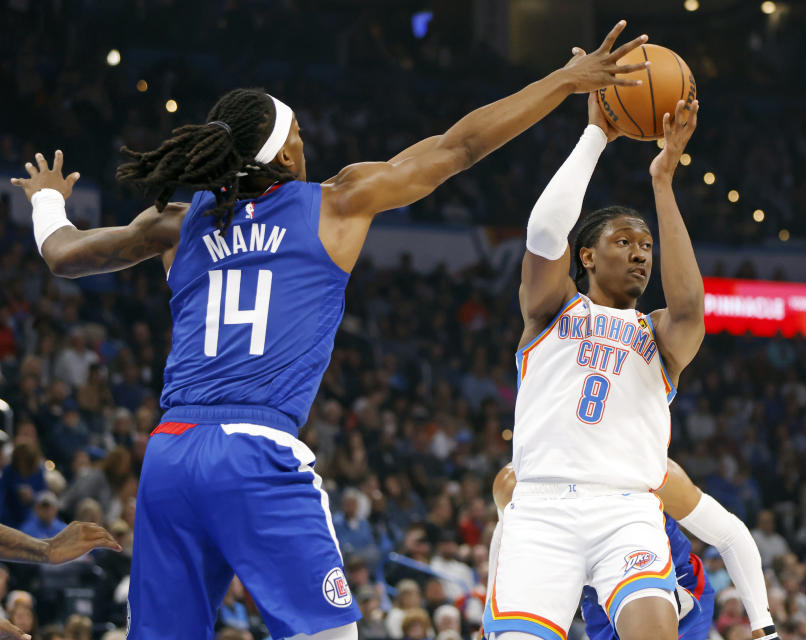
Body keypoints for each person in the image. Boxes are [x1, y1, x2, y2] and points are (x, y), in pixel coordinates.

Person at [11, 21, 650, 640]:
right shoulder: (336, 201)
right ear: (286, 152)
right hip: (256, 449)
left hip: (171, 453)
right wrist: (564, 81)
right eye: (300, 132)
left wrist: (44, 197)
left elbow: (64, 254)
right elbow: (459, 147)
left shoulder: (176, 225)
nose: (306, 142)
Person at [483, 90, 702, 640]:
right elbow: (543, 233)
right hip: (541, 505)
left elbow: (691, 308)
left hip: (626, 509)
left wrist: (663, 181)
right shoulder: (552, 310)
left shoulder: (656, 332)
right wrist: (595, 136)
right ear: (586, 256)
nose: (640, 253)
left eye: (646, 246)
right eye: (623, 241)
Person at [487, 462, 779, 640]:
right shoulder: (517, 482)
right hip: (596, 598)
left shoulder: (653, 471)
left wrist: (764, 629)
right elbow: (507, 539)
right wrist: (490, 611)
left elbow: (730, 534)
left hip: (677, 586)